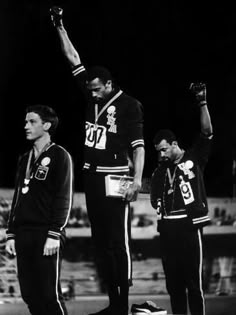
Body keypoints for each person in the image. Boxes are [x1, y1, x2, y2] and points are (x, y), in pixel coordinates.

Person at [50, 6, 145, 315]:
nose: (90, 95)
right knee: (101, 241)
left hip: (117, 176)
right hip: (92, 175)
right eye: (88, 90)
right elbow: (73, 59)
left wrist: (138, 180)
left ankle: (123, 304)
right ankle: (112, 304)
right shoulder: (92, 94)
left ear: (108, 85)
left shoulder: (130, 106)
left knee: (120, 240)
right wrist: (60, 26)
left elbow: (139, 147)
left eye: (95, 90)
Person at [150, 83, 213, 315]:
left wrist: (202, 102)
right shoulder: (159, 170)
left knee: (193, 286)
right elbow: (153, 195)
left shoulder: (194, 158)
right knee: (174, 287)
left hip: (189, 226)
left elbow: (207, 133)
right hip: (166, 229)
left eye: (164, 149)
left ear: (175, 144)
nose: (161, 154)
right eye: (158, 151)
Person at [5, 105, 73, 315]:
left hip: (46, 234)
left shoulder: (60, 156)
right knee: (29, 294)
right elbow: (17, 197)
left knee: (49, 295)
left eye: (32, 121)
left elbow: (64, 197)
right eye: (25, 122)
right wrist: (11, 233)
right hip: (23, 234)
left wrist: (55, 233)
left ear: (46, 125)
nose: (26, 126)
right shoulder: (24, 159)